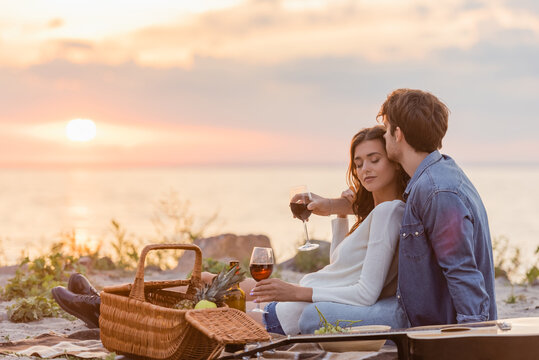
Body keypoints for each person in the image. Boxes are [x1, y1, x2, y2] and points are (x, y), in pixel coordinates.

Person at [301, 89, 497, 330]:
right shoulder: (436, 176)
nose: (383, 137)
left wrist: (473, 336)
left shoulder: (437, 192)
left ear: (398, 134)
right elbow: (390, 209)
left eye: (386, 130)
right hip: (416, 305)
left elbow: (462, 271)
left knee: (311, 317)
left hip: (430, 320)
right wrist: (338, 206)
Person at [248, 125, 410, 335]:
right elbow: (340, 264)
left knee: (211, 314)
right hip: (293, 305)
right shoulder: (383, 212)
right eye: (359, 164)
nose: (364, 169)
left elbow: (366, 294)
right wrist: (341, 214)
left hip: (290, 314)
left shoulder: (388, 212)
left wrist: (295, 292)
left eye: (374, 160)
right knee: (218, 292)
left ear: (395, 163)